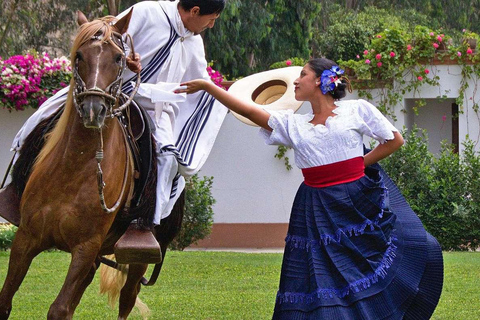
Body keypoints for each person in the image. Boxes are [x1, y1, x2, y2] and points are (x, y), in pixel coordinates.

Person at [177, 58, 444, 319]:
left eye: (302, 74)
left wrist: (358, 164)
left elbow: (394, 139)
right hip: (315, 206)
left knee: (361, 268)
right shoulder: (292, 124)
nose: (295, 80)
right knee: (319, 275)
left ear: (319, 80)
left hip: (355, 200)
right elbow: (248, 111)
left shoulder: (357, 110)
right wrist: (209, 87)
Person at [2, 0, 227, 231]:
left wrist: (222, 99)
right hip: (108, 88)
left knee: (168, 157)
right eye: (212, 19)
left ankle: (144, 225)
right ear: (195, 11)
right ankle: (15, 189)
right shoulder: (148, 12)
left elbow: (198, 83)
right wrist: (127, 57)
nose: (210, 25)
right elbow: (105, 35)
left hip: (155, 106)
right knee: (39, 118)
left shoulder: (194, 43)